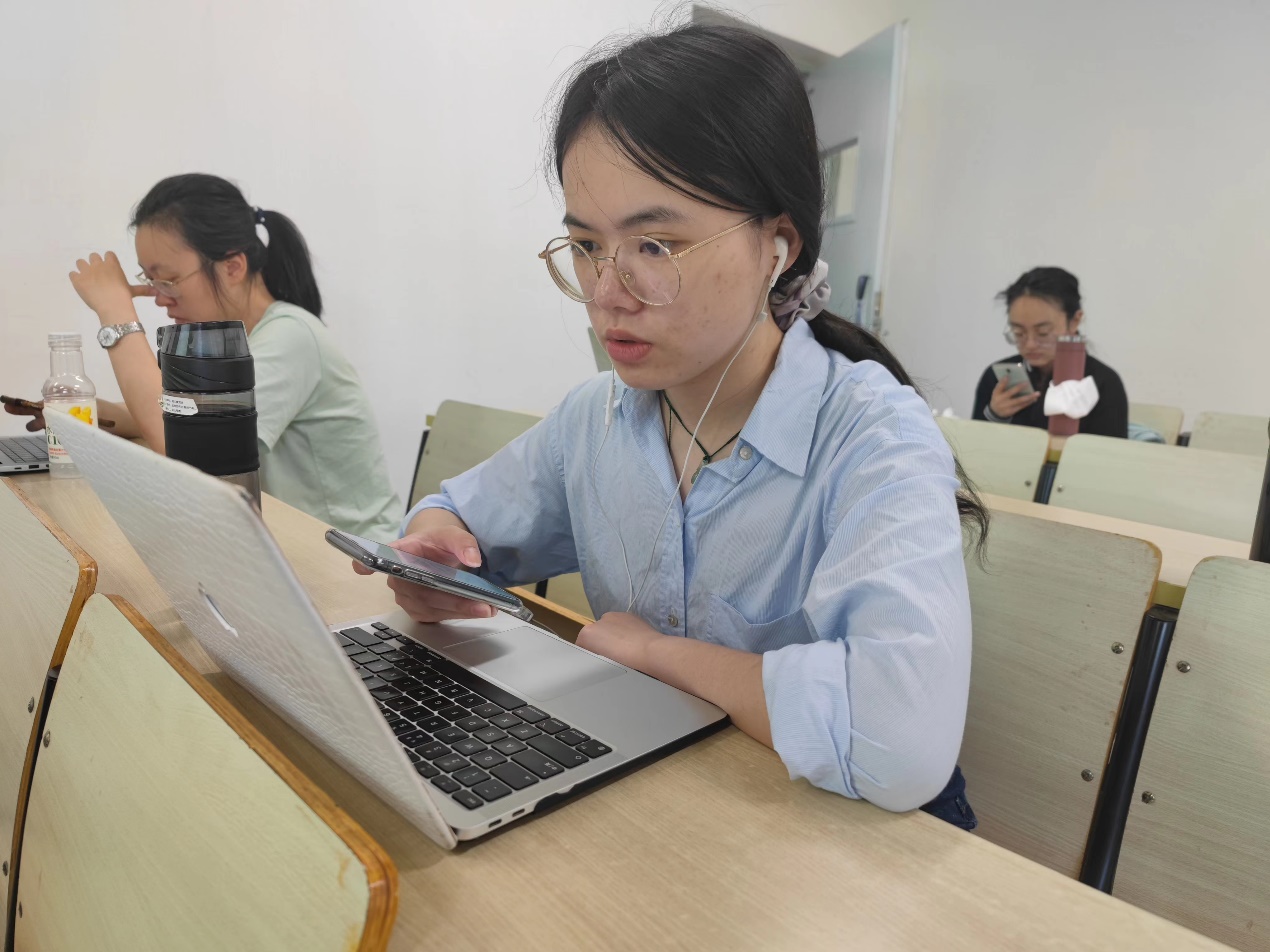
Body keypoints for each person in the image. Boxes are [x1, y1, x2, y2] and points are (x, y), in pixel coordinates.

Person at [363, 24, 985, 827]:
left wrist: (655, 654)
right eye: (586, 245)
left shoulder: (873, 437)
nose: (606, 293)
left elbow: (898, 742)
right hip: (678, 798)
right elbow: (457, 516)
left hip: (849, 828)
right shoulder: (597, 419)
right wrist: (433, 552)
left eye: (655, 245)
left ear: (777, 246)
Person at [7, 174, 401, 540]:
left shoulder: (291, 336)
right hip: (279, 538)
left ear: (233, 267)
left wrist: (115, 312)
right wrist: (82, 414)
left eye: (169, 279)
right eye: (150, 280)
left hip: (349, 559)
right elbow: (184, 417)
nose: (159, 298)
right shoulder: (226, 340)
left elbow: (187, 453)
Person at [973, 267, 1128, 438]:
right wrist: (994, 415)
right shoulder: (997, 378)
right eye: (1019, 332)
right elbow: (970, 445)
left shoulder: (1103, 383)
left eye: (1043, 333)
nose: (1030, 345)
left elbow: (1110, 452)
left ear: (1074, 321)